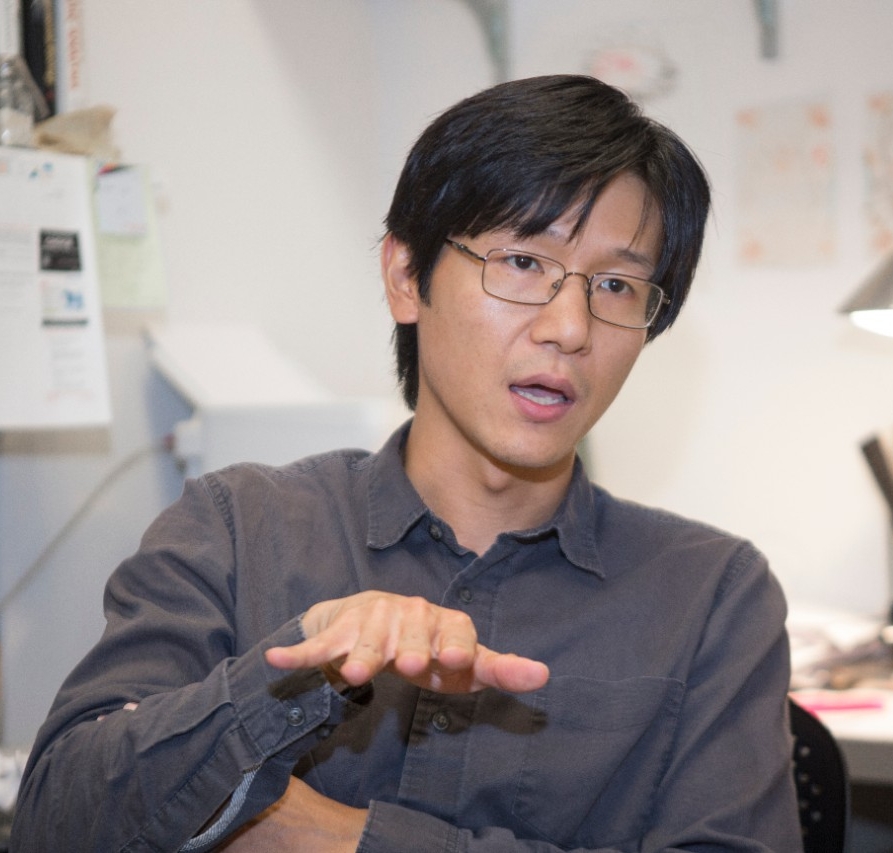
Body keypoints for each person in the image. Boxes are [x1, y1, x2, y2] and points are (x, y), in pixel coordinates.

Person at [11, 75, 802, 852]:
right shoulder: (236, 530)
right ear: (404, 276)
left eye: (615, 284)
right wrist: (289, 677)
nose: (569, 327)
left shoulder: (711, 595)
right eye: (522, 261)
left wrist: (327, 834)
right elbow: (53, 820)